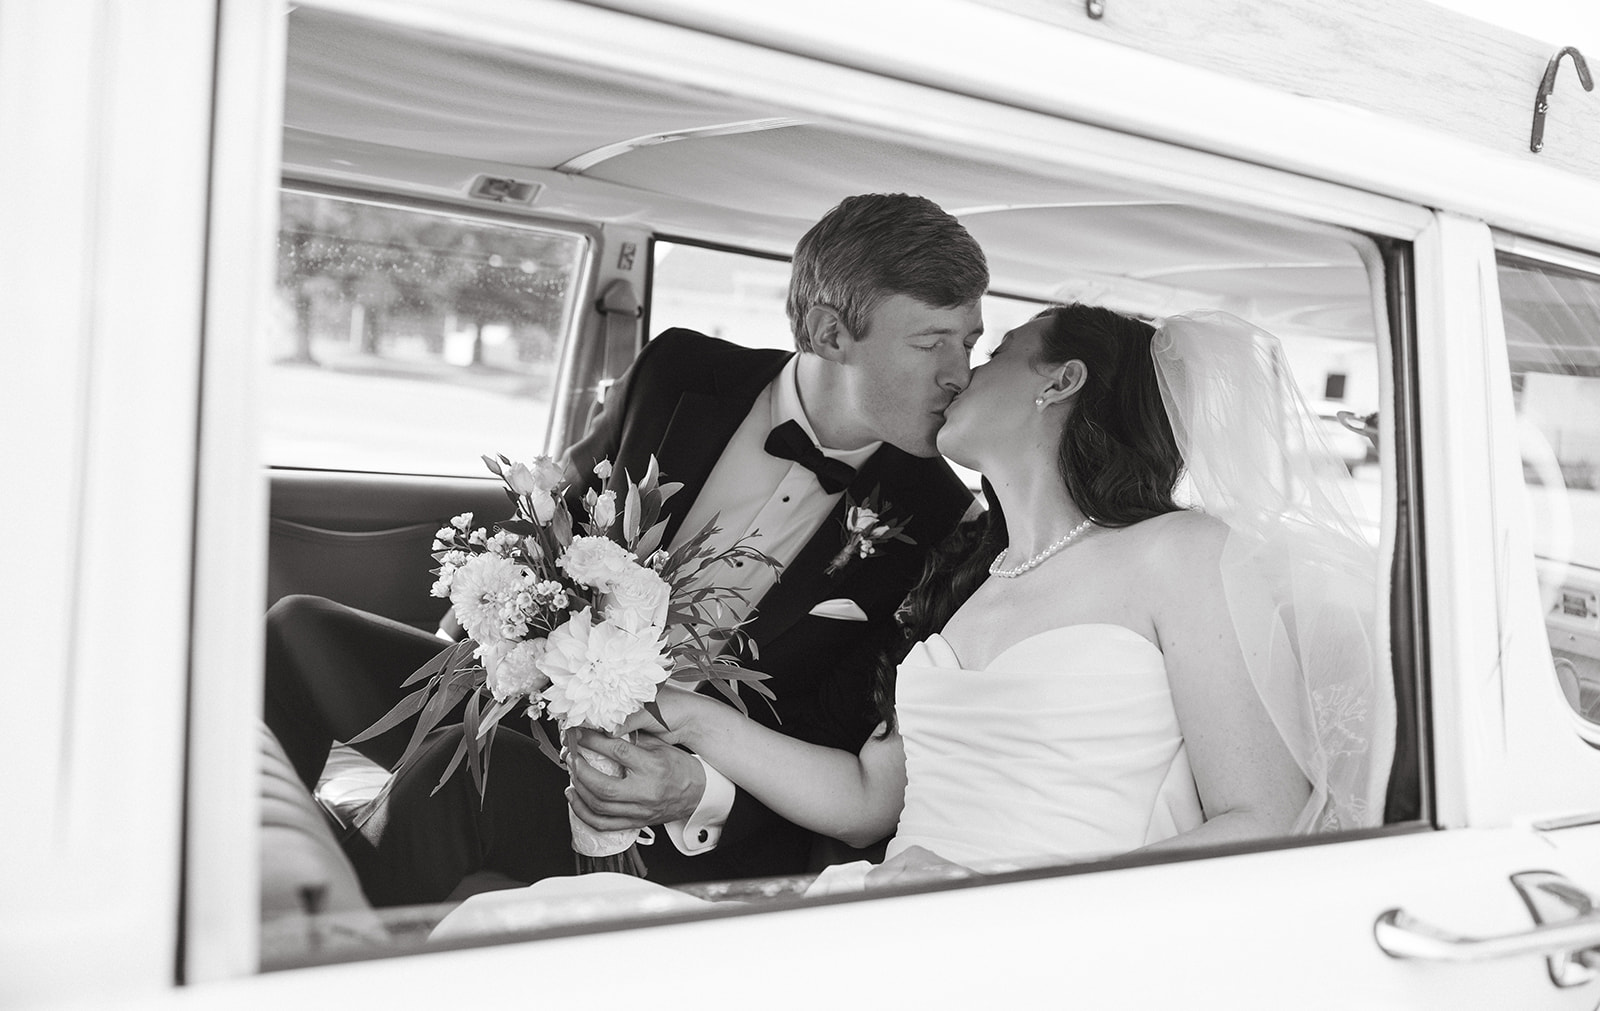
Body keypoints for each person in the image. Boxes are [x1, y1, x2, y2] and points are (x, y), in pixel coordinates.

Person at [264, 192, 989, 901]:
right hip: (540, 696)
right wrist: (491, 620)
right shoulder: (678, 372)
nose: (960, 374)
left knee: (440, 788)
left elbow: (853, 762)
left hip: (667, 799)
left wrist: (695, 790)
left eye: (970, 342)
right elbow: (555, 512)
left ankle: (322, 951)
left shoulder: (940, 524)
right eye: (932, 343)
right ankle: (231, 881)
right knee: (293, 630)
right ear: (832, 334)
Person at [558, 303, 1394, 889]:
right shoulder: (965, 574)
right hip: (898, 905)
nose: (961, 375)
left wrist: (1012, 897)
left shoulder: (1181, 554)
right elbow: (865, 799)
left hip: (1039, 937)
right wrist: (688, 715)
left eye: (994, 355)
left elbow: (1264, 819)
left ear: (1058, 381)